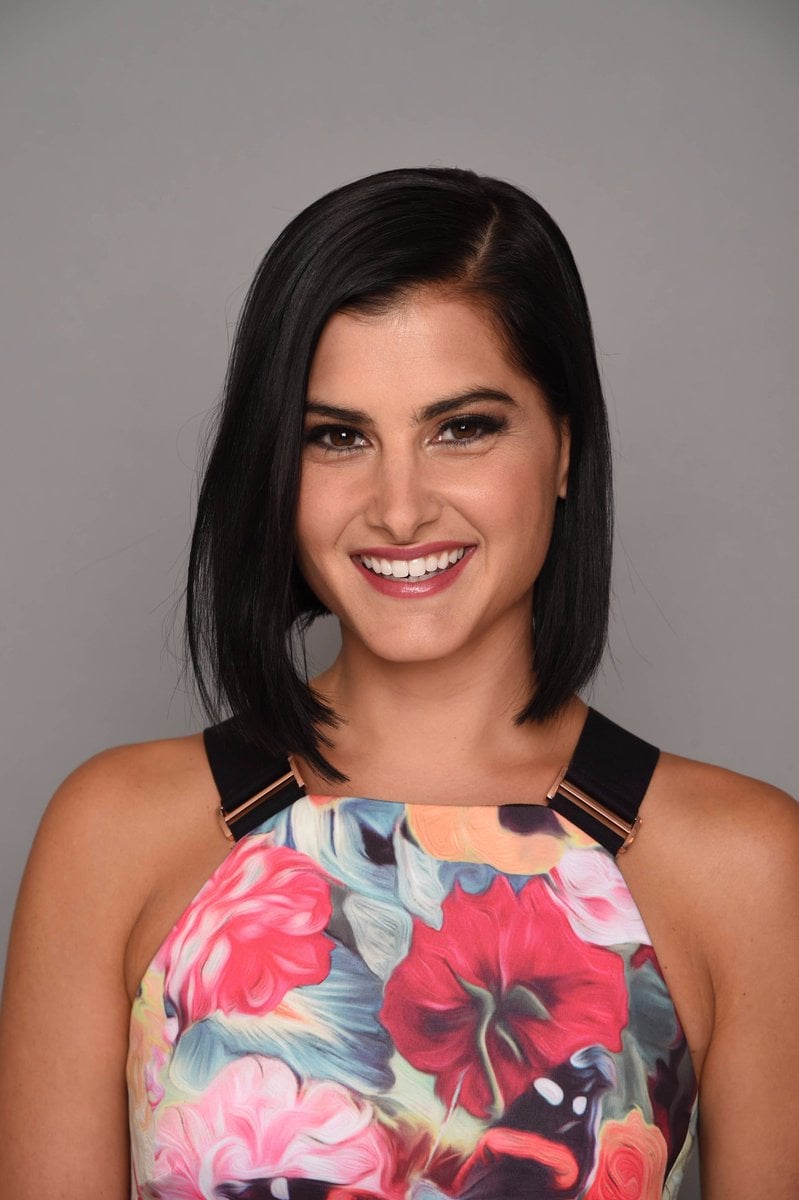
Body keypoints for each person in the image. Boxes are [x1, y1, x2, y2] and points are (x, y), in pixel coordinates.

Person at [0, 167, 796, 1200]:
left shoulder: (741, 868)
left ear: (565, 446)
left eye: (461, 427)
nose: (400, 507)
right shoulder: (112, 837)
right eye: (337, 437)